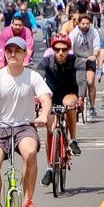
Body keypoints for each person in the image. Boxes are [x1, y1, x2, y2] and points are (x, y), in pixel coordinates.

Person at [0, 37, 51, 207]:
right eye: (9, 50)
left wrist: (43, 115)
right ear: (4, 53)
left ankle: (28, 201)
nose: (12, 54)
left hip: (24, 126)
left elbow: (45, 98)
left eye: (17, 50)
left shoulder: (32, 76)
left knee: (30, 153)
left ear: (25, 54)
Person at [37, 34, 85, 177]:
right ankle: (49, 168)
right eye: (57, 49)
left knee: (69, 103)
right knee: (51, 130)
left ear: (69, 49)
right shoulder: (45, 62)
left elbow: (82, 82)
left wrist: (81, 97)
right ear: (52, 49)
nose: (60, 53)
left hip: (69, 94)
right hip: (51, 96)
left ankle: (73, 140)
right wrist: (36, 97)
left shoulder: (77, 62)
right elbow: (37, 79)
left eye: (64, 50)